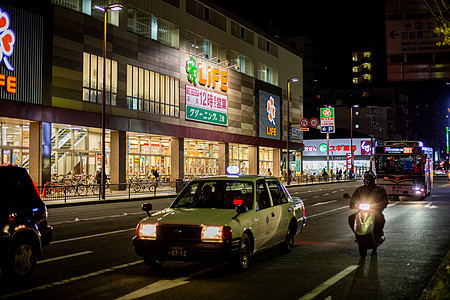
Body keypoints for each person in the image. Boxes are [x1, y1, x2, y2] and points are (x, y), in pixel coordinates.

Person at [348, 171, 389, 243]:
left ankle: (378, 235)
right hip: (362, 211)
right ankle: (357, 235)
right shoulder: (360, 190)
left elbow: (385, 200)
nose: (369, 181)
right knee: (351, 218)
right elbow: (354, 199)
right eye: (367, 179)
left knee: (381, 219)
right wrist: (353, 203)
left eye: (370, 179)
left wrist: (381, 205)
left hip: (375, 211)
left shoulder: (379, 190)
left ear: (374, 180)